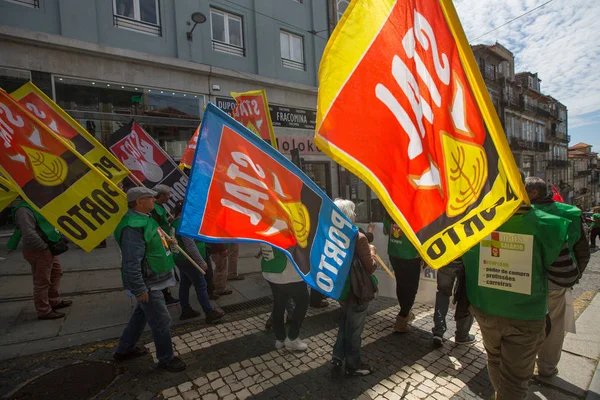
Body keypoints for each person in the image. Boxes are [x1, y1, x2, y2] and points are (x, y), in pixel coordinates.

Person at [462, 200, 569, 399]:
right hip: (525, 316)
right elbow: (566, 276)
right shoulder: (546, 224)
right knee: (516, 379)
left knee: (494, 358)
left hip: (485, 309)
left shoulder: (473, 221)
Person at [113, 187, 185, 372]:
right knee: (161, 320)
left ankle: (124, 349)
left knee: (141, 315)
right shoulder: (132, 226)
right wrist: (140, 288)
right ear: (139, 202)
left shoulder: (144, 219)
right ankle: (166, 359)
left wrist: (167, 242)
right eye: (149, 197)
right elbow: (131, 261)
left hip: (154, 279)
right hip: (149, 283)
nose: (154, 199)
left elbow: (151, 242)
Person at [525, 177, 590, 377]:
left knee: (525, 325)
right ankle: (547, 367)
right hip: (558, 281)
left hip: (526, 279)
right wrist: (572, 277)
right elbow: (582, 251)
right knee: (554, 327)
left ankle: (523, 368)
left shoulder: (524, 214)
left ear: (534, 193)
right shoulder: (570, 214)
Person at [331, 199, 377, 376]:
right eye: (354, 212)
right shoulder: (359, 237)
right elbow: (370, 267)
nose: (357, 215)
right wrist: (372, 250)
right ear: (349, 215)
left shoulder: (333, 234)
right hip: (357, 291)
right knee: (354, 330)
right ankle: (353, 365)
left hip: (342, 288)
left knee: (345, 323)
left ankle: (338, 356)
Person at [7, 198, 72, 320]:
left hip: (47, 247)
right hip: (39, 250)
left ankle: (54, 301)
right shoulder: (23, 210)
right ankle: (44, 310)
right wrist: (44, 247)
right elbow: (29, 234)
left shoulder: (35, 204)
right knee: (42, 281)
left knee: (56, 273)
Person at [170, 201, 225, 323]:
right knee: (201, 285)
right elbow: (190, 245)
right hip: (190, 260)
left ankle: (186, 309)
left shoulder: (176, 222)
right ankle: (209, 312)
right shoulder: (184, 223)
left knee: (185, 284)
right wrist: (201, 262)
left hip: (182, 259)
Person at [260, 244, 309, 351]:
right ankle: (292, 338)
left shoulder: (266, 226)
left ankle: (280, 339)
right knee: (303, 302)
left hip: (270, 268)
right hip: (288, 272)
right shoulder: (287, 226)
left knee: (279, 303)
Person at [383, 212, 421, 333]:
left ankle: (406, 311)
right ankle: (402, 317)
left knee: (401, 284)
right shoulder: (413, 214)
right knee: (411, 287)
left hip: (394, 253)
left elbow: (385, 231)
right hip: (411, 255)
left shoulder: (389, 211)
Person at [432, 258, 475, 346]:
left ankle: (438, 331)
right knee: (465, 295)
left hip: (446, 260)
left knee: (442, 294)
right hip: (466, 262)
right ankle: (462, 335)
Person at [151, 184, 179, 305]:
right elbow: (156, 228)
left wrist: (169, 221)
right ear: (161, 195)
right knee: (164, 269)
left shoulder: (159, 207)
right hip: (163, 243)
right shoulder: (154, 209)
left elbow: (162, 223)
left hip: (166, 242)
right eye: (168, 194)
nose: (169, 197)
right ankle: (164, 295)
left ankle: (166, 294)